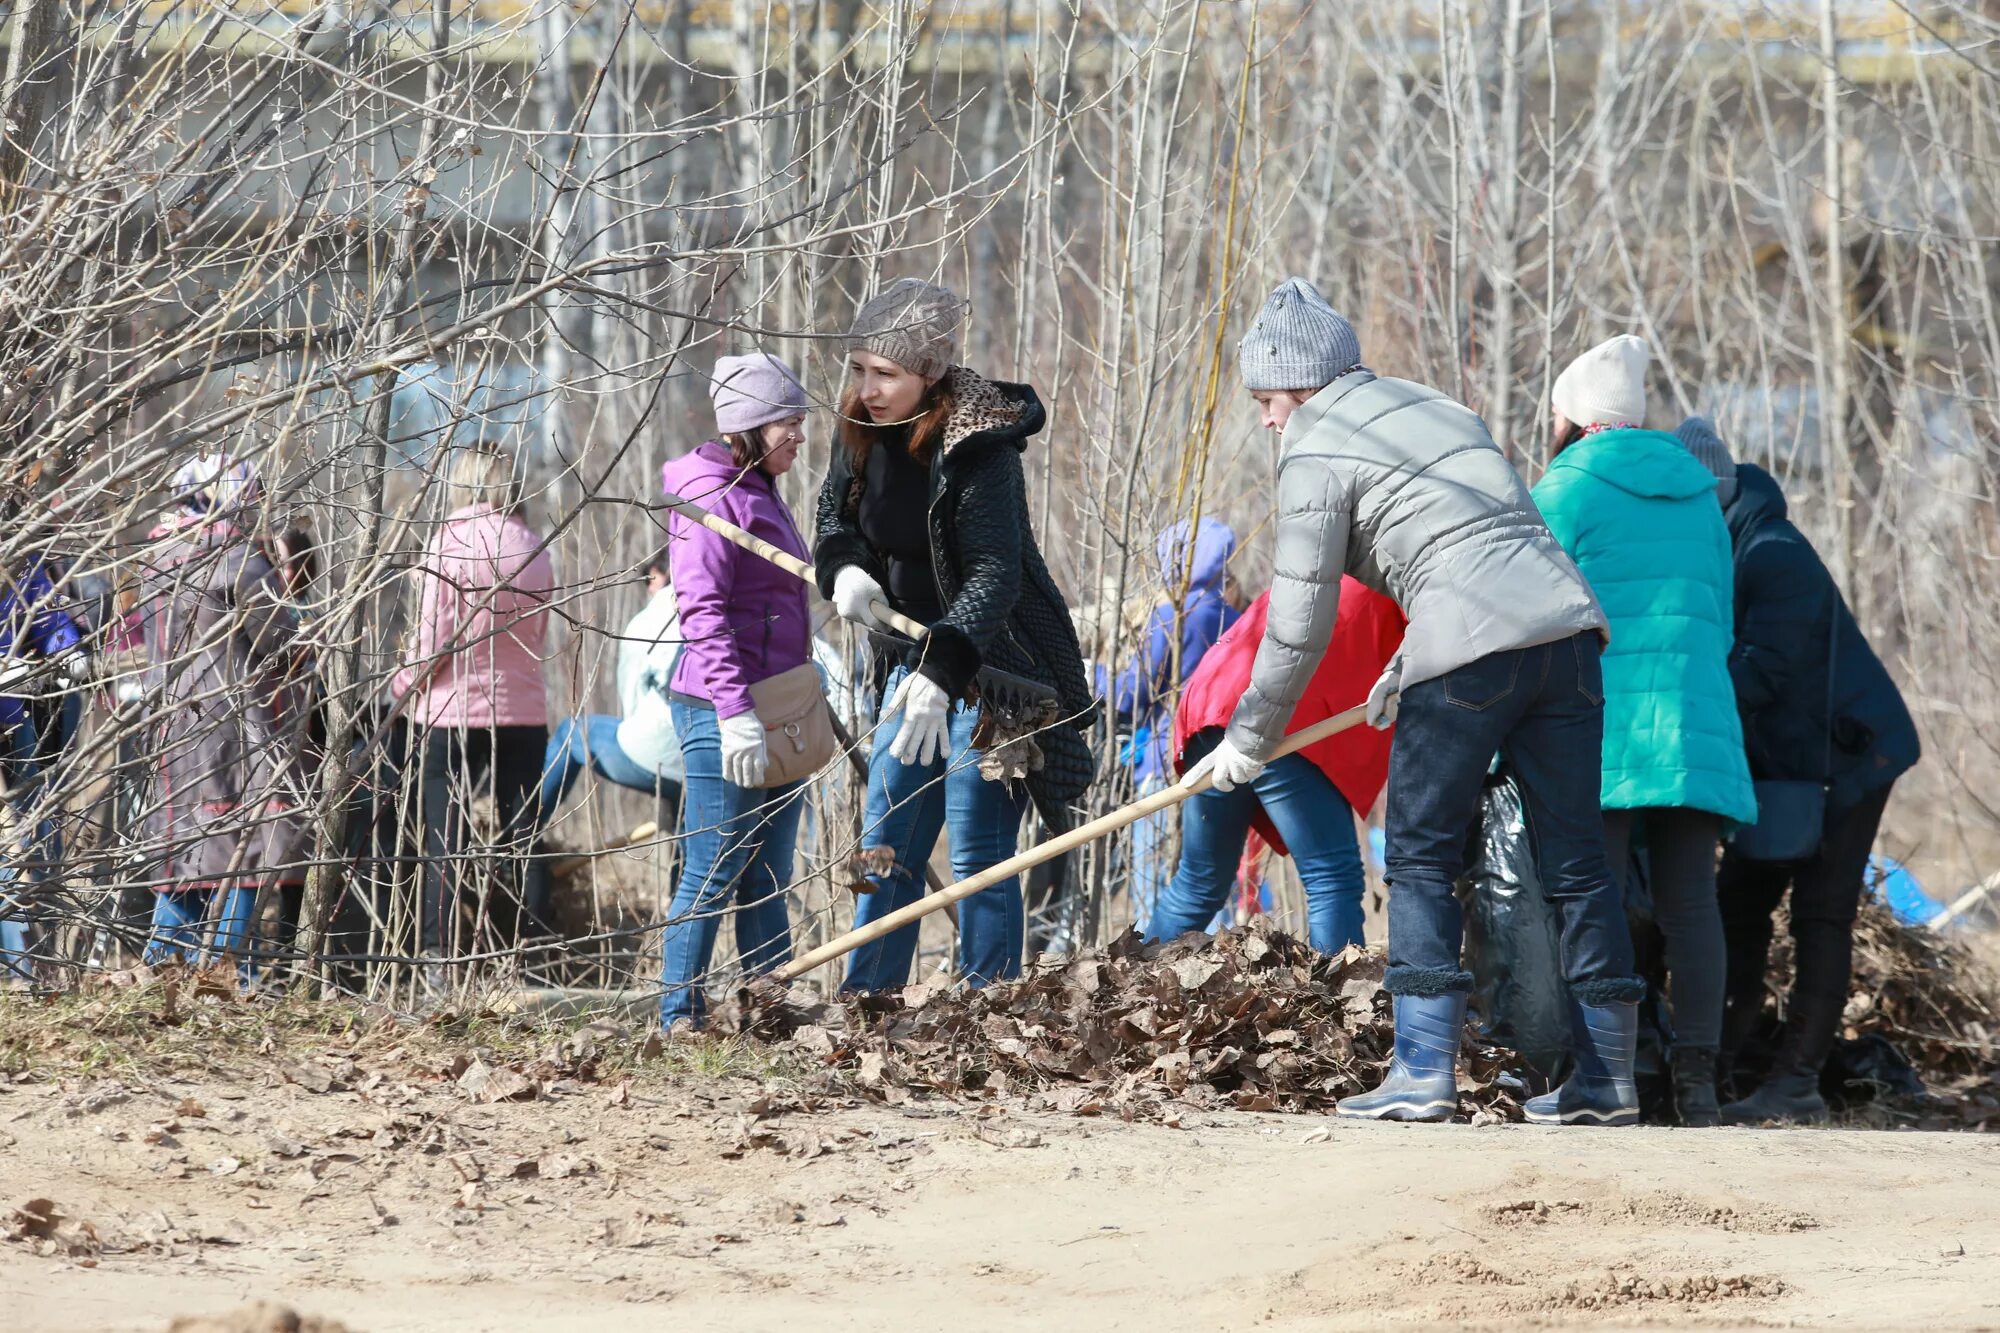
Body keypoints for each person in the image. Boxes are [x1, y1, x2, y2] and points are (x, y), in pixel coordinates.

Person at [1197, 277, 1640, 1125]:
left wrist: (1249, 736)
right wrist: (1409, 659)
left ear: (1302, 385)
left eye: (1266, 399)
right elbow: (1482, 544)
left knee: (1420, 853)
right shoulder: (1435, 408)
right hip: (1571, 638)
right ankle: (1608, 1080)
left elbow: (1298, 623)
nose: (1264, 419)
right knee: (1579, 861)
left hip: (1474, 649)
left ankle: (1422, 1069)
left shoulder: (1316, 449)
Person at [814, 278, 1093, 992]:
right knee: (888, 839)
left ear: (929, 374)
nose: (868, 388)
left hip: (994, 674)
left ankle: (986, 1008)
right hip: (908, 663)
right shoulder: (859, 430)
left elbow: (995, 575)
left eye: (887, 374)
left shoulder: (981, 445)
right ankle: (867, 998)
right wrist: (842, 569)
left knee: (978, 853)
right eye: (860, 369)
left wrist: (944, 675)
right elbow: (833, 521)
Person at [1529, 340, 1756, 1128]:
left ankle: (1607, 1073)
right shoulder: (1700, 493)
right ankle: (1697, 1086)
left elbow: (1532, 608)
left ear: (1575, 416)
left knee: (1592, 897)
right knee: (1692, 904)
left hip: (1606, 727)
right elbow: (1722, 615)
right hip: (1695, 724)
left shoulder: (1566, 487)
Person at [1676, 417, 1921, 1125]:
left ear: (1710, 498)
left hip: (1851, 759)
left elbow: (1762, 673)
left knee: (1821, 913)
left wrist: (1681, 686)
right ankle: (1719, 1062)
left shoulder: (1773, 555)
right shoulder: (1736, 547)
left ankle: (1797, 1081)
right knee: (1739, 902)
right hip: (1791, 768)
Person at [656, 352, 813, 1027]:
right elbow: (702, 611)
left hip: (778, 702)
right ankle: (677, 1018)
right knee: (713, 866)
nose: (799, 437)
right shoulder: (711, 495)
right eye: (788, 424)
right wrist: (734, 713)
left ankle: (766, 1010)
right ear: (747, 426)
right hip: (723, 706)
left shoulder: (758, 485)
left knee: (768, 876)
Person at [1150, 575, 1404, 953]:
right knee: (1331, 876)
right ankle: (1341, 1003)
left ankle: (1127, 986)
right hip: (1278, 713)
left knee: (1199, 881)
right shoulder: (1403, 575)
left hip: (1214, 698)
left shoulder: (1328, 553)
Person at [392, 444, 555, 980]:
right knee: (522, 835)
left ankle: (439, 960)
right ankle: (527, 959)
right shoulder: (535, 547)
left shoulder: (447, 546)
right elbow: (536, 635)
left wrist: (398, 689)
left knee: (445, 839)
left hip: (451, 715)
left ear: (461, 484)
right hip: (523, 714)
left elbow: (429, 645)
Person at [135, 456, 306, 968]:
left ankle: (163, 965)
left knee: (187, 851)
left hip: (171, 726)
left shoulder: (157, 557)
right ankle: (233, 973)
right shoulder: (237, 560)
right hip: (233, 726)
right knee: (250, 846)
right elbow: (283, 642)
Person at [1104, 518, 1240, 930]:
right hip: (1223, 762)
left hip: (1166, 763)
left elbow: (1132, 692)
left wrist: (1091, 675)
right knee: (1211, 882)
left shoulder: (1171, 616)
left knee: (1152, 885)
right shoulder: (1238, 619)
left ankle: (1152, 974)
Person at [538, 549, 685, 834]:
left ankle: (520, 831)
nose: (648, 590)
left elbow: (631, 694)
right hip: (709, 759)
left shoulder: (653, 615)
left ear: (658, 573)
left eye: (648, 581)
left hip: (657, 752)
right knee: (691, 846)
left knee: (572, 732)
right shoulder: (717, 604)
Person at [1, 518, 90, 984]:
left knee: (34, 832)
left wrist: (68, 651)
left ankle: (30, 962)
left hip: (13, 718)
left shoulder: (19, 560)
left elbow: (48, 616)